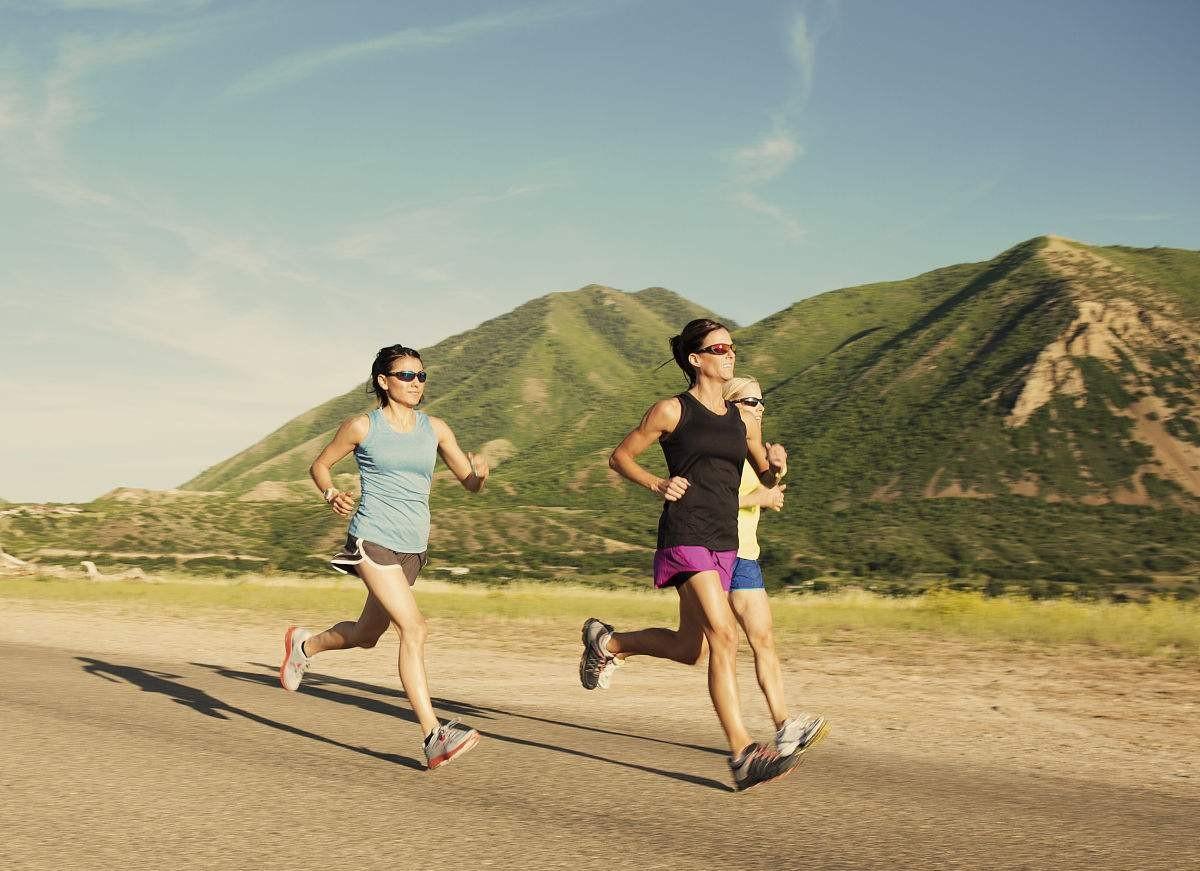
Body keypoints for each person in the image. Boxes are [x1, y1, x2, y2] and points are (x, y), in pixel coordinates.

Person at [578, 318, 798, 791]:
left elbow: (766, 481)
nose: (729, 353)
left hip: (724, 540)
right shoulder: (671, 410)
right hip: (685, 533)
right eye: (718, 347)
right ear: (696, 359)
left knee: (690, 648)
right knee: (725, 637)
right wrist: (657, 482)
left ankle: (607, 643)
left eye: (731, 346)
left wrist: (776, 466)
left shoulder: (743, 420)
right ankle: (742, 751)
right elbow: (620, 456)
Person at [279, 343, 491, 770]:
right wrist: (331, 493)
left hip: (413, 547)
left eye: (422, 376)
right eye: (407, 376)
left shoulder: (436, 429)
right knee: (415, 629)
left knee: (366, 634)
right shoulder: (362, 426)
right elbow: (319, 465)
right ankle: (434, 736)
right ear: (383, 381)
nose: (417, 383)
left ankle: (305, 644)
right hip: (372, 538)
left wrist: (480, 473)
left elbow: (469, 483)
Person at [722, 375, 829, 758]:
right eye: (751, 401)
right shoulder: (717, 449)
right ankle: (612, 644)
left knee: (763, 639)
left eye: (762, 401)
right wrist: (761, 497)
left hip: (745, 555)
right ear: (731, 406)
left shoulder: (753, 450)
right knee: (694, 648)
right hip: (710, 555)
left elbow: (763, 482)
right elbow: (707, 501)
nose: (760, 407)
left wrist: (777, 470)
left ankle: (785, 726)